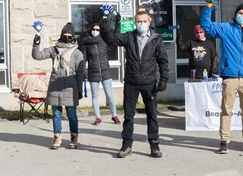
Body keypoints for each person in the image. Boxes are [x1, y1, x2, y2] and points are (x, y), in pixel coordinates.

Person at [100, 10, 169, 158]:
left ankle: (154, 145)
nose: (141, 24)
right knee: (129, 116)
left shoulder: (156, 38)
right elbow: (111, 39)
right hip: (131, 82)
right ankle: (126, 145)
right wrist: (105, 20)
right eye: (139, 21)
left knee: (152, 115)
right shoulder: (129, 36)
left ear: (149, 22)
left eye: (144, 21)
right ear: (135, 23)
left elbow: (163, 60)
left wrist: (164, 79)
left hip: (149, 83)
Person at [201, 2, 243, 154]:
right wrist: (208, 6)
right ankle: (224, 141)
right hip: (230, 77)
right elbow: (206, 25)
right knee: (226, 110)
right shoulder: (226, 29)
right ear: (235, 14)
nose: (242, 16)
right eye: (240, 13)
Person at [32, 22, 85, 150]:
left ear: (73, 37)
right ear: (61, 36)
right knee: (56, 114)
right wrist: (37, 37)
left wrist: (79, 89)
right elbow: (36, 56)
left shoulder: (77, 53)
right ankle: (57, 138)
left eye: (69, 36)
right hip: (55, 85)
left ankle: (73, 138)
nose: (67, 38)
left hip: (70, 87)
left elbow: (80, 73)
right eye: (64, 35)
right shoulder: (53, 50)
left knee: (72, 114)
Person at [81, 21, 120, 125]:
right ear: (90, 30)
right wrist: (83, 72)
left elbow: (115, 38)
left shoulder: (104, 41)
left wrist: (117, 23)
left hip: (106, 72)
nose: (95, 31)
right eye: (93, 29)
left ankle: (114, 115)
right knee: (95, 96)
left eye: (97, 30)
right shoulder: (86, 43)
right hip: (93, 73)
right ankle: (97, 117)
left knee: (109, 95)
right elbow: (83, 58)